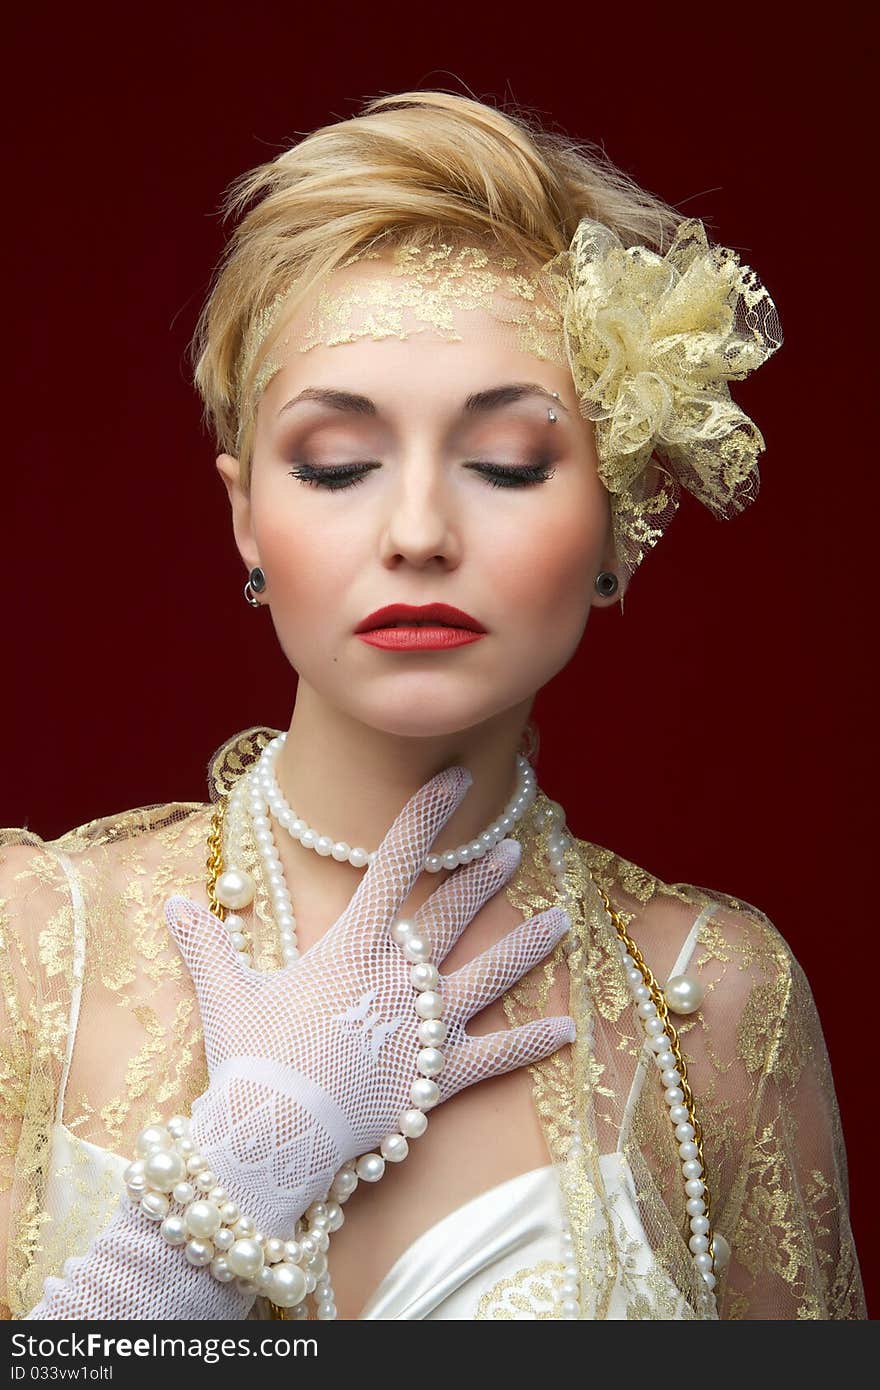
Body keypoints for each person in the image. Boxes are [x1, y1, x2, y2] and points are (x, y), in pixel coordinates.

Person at [1, 90, 865, 1321]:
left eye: (508, 463)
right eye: (338, 465)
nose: (416, 533)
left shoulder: (711, 998)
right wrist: (221, 1195)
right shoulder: (33, 943)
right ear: (247, 514)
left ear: (615, 517)